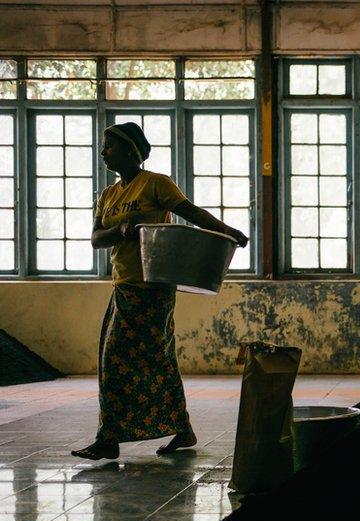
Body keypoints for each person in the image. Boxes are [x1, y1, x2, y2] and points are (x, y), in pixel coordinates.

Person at [71, 122, 248, 461]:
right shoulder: (108, 195)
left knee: (115, 360)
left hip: (152, 288)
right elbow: (96, 238)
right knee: (157, 360)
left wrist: (228, 232)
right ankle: (181, 429)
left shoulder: (155, 184)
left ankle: (109, 439)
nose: (103, 151)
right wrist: (121, 228)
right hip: (123, 286)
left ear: (130, 150)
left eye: (109, 145)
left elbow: (191, 213)